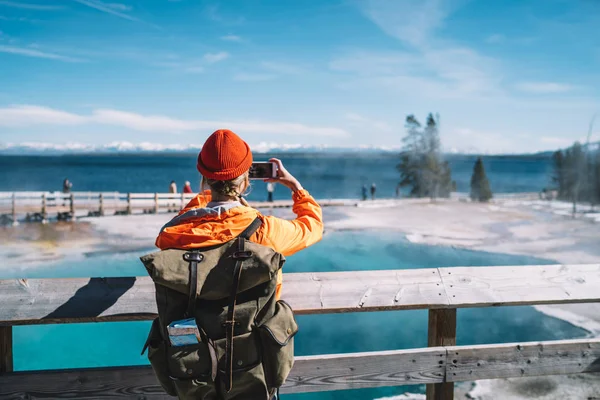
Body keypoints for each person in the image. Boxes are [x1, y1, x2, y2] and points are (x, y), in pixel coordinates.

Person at [143, 129, 323, 399]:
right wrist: (295, 187)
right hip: (253, 367)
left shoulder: (174, 234)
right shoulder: (264, 231)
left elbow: (193, 218)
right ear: (245, 180)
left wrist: (209, 195)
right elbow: (313, 227)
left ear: (204, 179)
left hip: (195, 369)